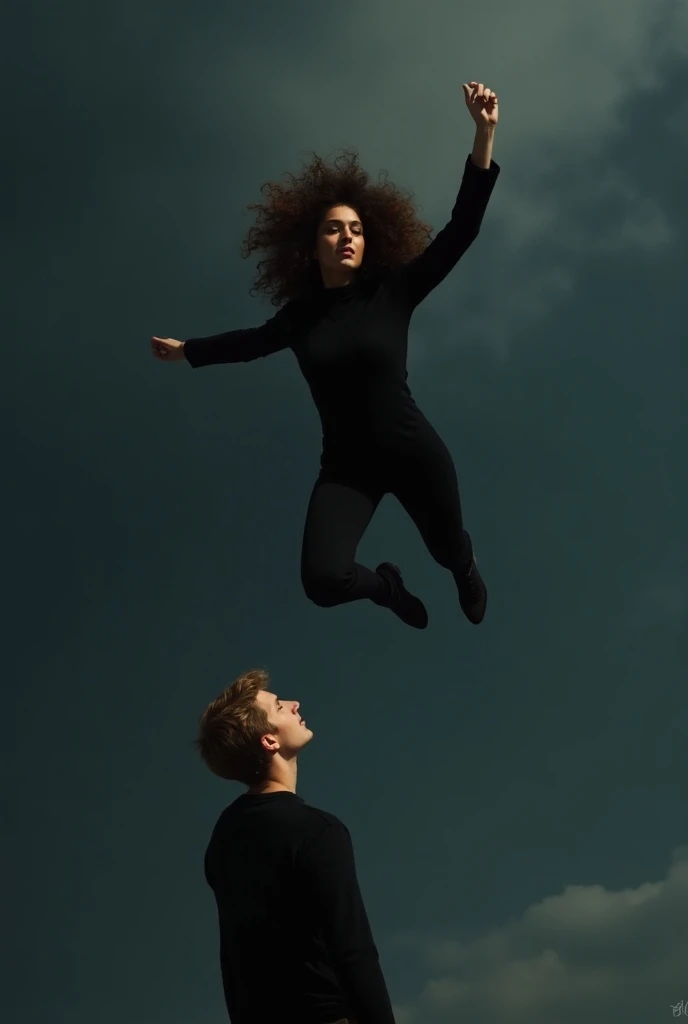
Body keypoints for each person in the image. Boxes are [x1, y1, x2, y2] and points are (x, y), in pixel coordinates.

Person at [152, 82, 500, 631]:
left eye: (357, 230)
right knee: (323, 580)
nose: (347, 237)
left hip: (413, 449)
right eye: (334, 229)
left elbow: (462, 229)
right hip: (346, 468)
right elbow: (249, 343)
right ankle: (388, 587)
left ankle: (464, 566)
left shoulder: (394, 291)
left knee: (447, 548)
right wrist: (187, 352)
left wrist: (484, 135)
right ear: (310, 244)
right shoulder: (299, 318)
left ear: (369, 242)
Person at [196, 668, 395, 1024]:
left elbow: (236, 962)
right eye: (278, 706)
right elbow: (354, 952)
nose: (294, 703)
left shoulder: (223, 839)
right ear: (269, 741)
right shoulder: (317, 831)